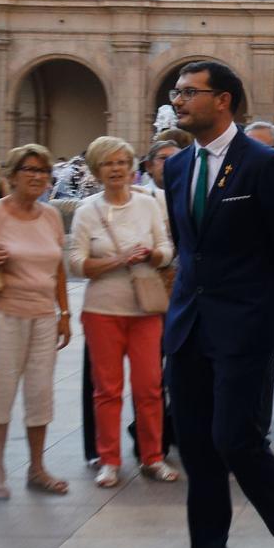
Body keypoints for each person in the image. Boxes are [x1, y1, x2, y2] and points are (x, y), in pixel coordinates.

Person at [144, 60, 274, 548]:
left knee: (234, 439)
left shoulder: (262, 166)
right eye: (176, 93)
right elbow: (187, 245)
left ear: (223, 100)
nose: (178, 101)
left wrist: (272, 323)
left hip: (244, 325)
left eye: (188, 93)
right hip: (189, 325)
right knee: (196, 449)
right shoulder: (177, 168)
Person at [0, 143, 72, 498]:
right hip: (0, 315)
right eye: (30, 170)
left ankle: (37, 468)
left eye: (43, 171)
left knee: (40, 394)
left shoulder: (50, 215)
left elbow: (58, 268)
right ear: (12, 175)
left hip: (42, 317)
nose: (38, 177)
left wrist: (64, 313)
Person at [68, 136, 179, 487]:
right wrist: (116, 260)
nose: (116, 169)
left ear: (132, 168)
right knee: (107, 389)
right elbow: (74, 264)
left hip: (145, 309)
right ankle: (109, 459)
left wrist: (151, 254)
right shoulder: (87, 210)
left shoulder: (147, 205)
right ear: (97, 170)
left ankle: (152, 457)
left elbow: (166, 247)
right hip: (102, 309)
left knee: (149, 386)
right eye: (108, 163)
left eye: (122, 162)